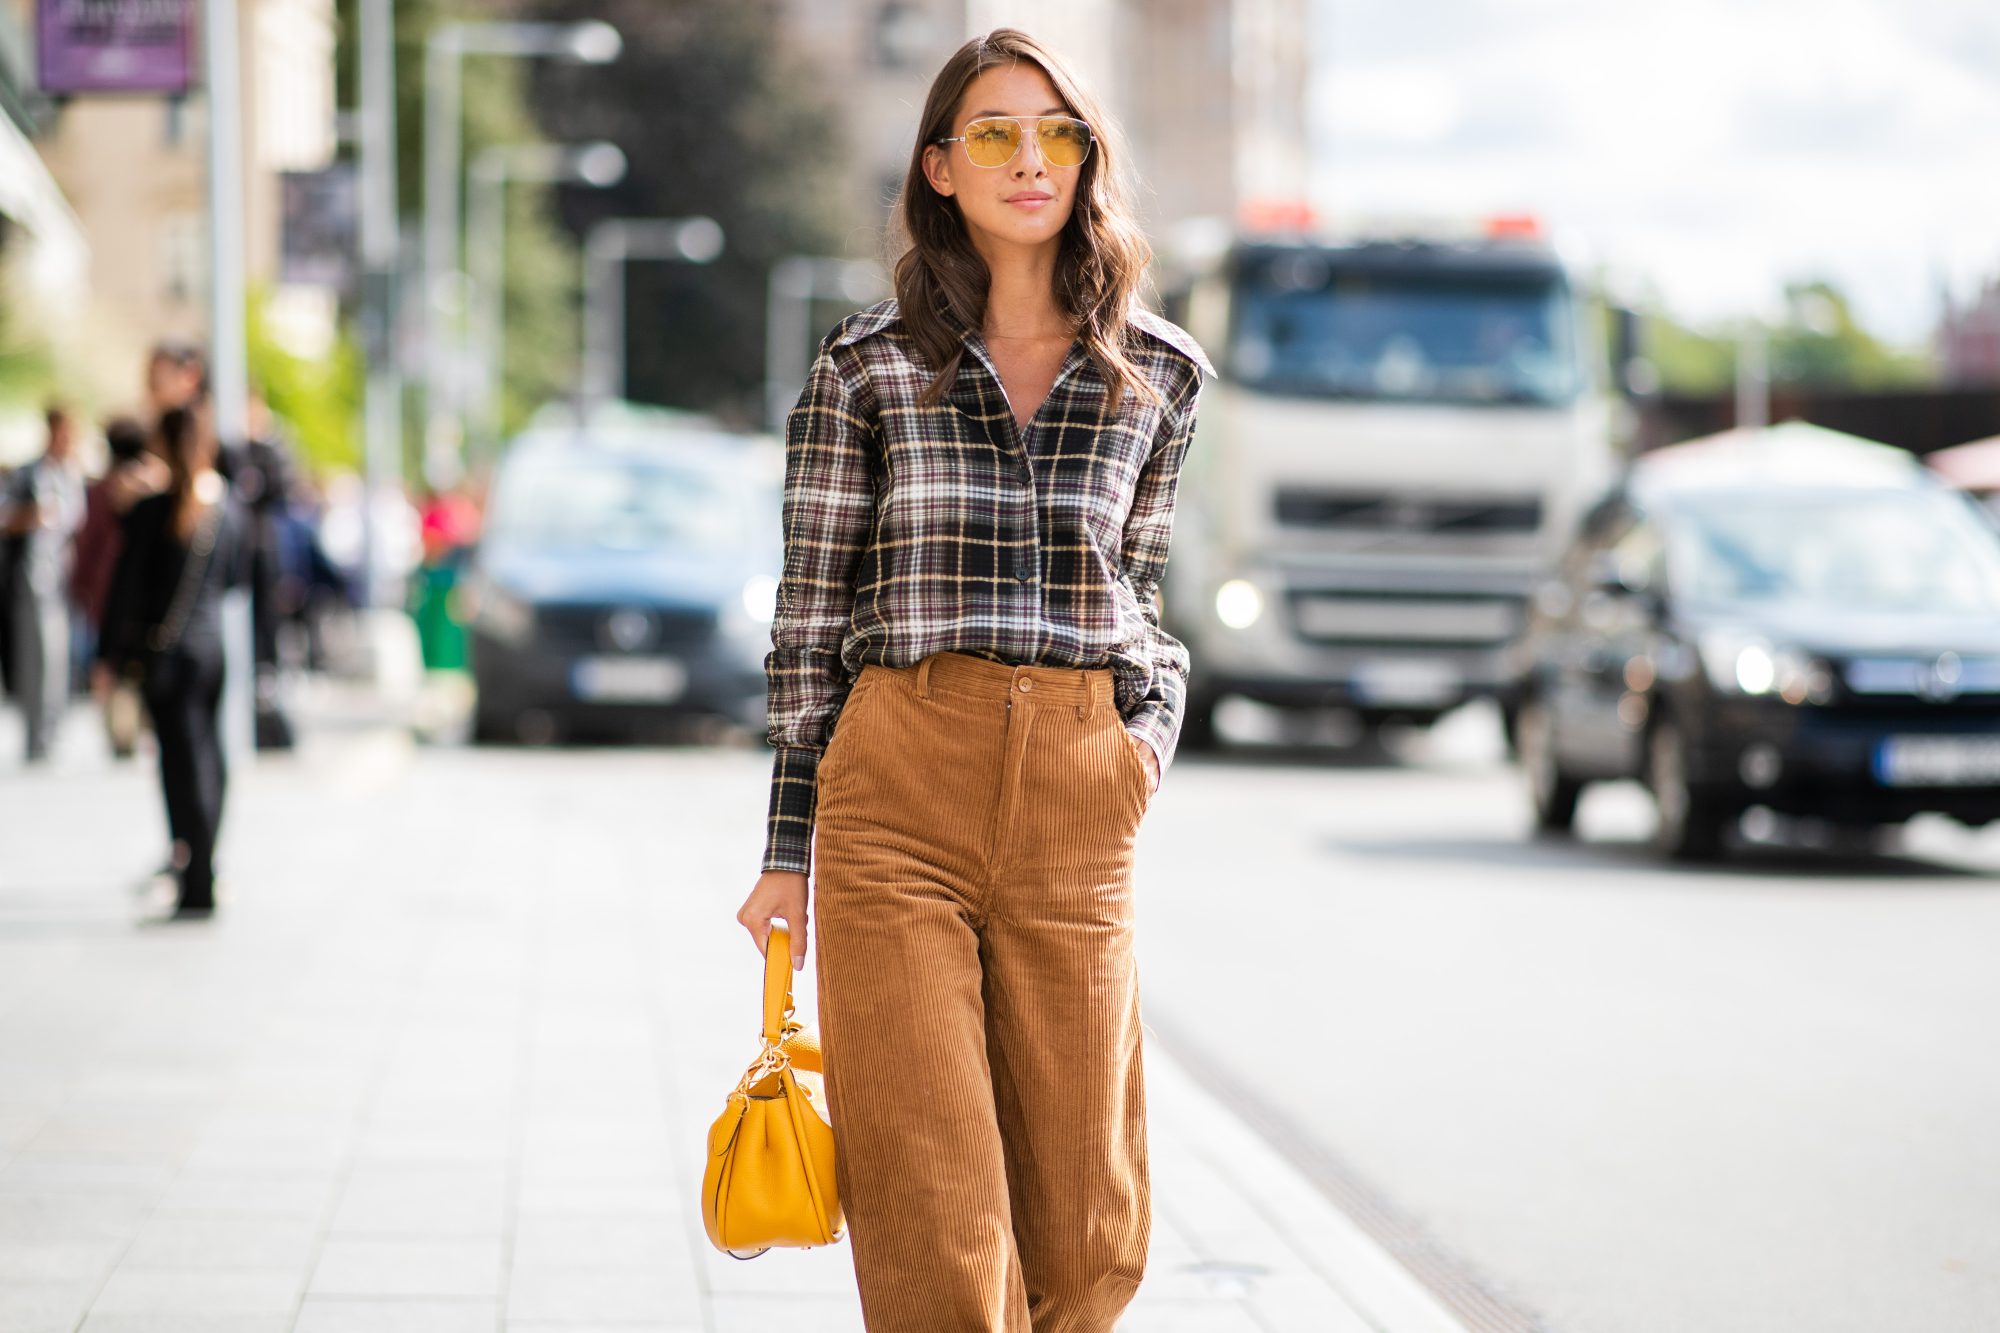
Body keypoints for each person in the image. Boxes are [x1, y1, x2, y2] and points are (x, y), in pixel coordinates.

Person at [733, 29, 1211, 1331]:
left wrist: (1137, 747)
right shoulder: (864, 367)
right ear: (940, 166)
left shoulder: (1160, 376)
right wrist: (789, 850)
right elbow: (811, 616)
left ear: (1087, 160)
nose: (1028, 159)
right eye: (993, 133)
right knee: (937, 1220)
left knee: (1089, 1233)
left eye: (1057, 132)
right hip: (899, 796)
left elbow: (1146, 599)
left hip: (1076, 795)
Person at [94, 402, 251, 921]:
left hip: (165, 655)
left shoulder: (151, 510)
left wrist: (109, 657)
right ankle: (206, 866)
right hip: (210, 651)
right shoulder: (227, 509)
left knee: (176, 763)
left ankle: (195, 875)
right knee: (207, 756)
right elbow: (236, 579)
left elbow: (125, 590)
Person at [3, 405, 87, 762]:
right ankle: (37, 735)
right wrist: (31, 518)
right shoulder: (27, 475)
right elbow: (5, 518)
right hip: (32, 578)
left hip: (64, 581)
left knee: (59, 658)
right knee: (35, 658)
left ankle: (51, 732)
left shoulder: (72, 476)